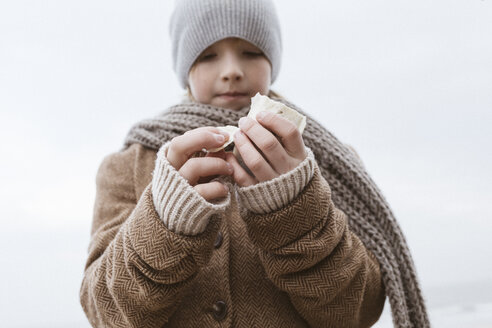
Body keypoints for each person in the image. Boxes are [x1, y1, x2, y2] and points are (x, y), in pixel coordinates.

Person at [79, 0, 430, 327]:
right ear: (184, 69)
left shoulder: (327, 161)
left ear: (272, 63)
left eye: (250, 51)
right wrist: (165, 222)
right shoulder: (127, 165)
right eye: (207, 55)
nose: (231, 70)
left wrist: (295, 210)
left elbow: (357, 311)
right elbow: (105, 311)